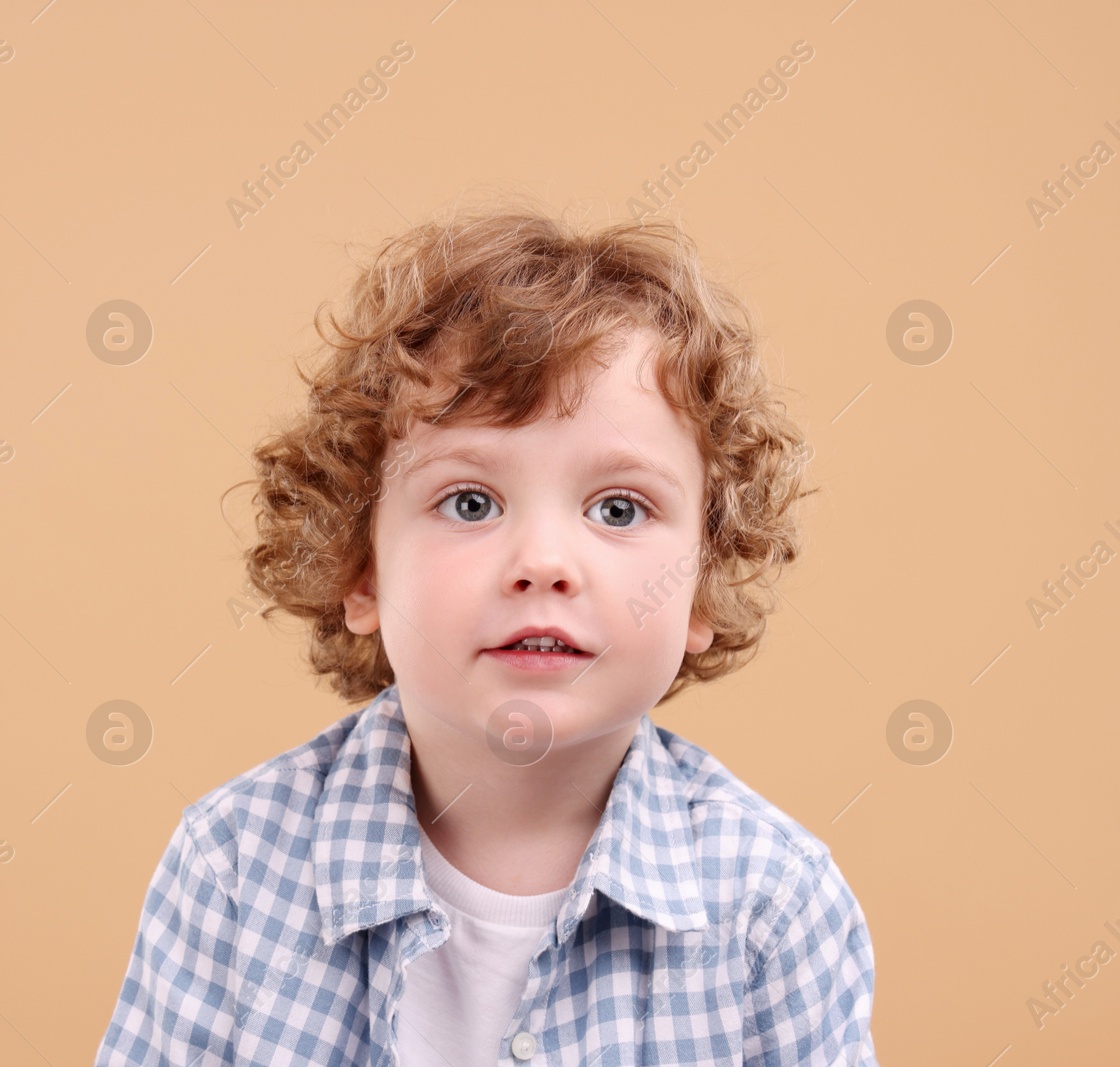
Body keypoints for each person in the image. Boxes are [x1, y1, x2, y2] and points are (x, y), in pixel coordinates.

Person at [94, 198, 876, 1066]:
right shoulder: (233, 870)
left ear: (703, 583)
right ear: (362, 570)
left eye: (619, 507)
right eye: (471, 502)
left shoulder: (772, 903)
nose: (543, 561)